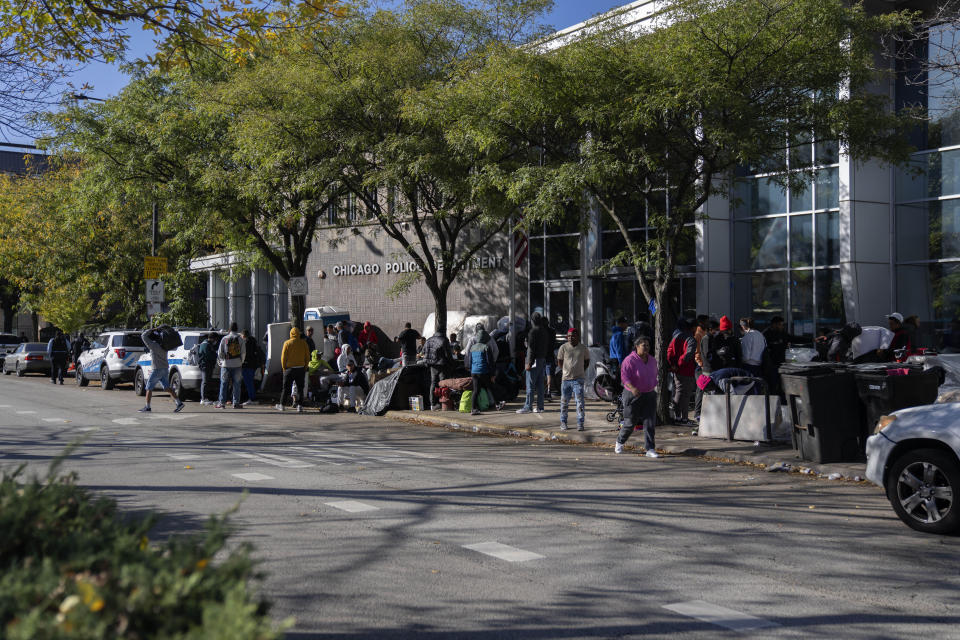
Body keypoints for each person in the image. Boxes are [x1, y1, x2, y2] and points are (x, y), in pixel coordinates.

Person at [615, 336, 659, 457]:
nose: (646, 348)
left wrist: (654, 385)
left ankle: (650, 449)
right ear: (637, 346)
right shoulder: (629, 360)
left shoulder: (652, 360)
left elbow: (654, 374)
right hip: (633, 394)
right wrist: (633, 388)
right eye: (644, 345)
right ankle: (620, 441)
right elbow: (624, 377)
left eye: (648, 345)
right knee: (630, 423)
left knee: (650, 422)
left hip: (649, 394)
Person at [138, 326, 185, 413]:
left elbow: (143, 336)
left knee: (148, 388)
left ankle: (147, 407)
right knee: (167, 387)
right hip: (165, 368)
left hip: (157, 369)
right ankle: (179, 403)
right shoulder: (164, 346)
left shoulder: (153, 345)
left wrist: (153, 329)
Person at [556, 327, 590, 431]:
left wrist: (580, 371)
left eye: (573, 336)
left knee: (580, 402)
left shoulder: (583, 348)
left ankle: (580, 423)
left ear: (578, 336)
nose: (570, 338)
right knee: (564, 402)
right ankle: (563, 422)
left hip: (578, 379)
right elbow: (560, 361)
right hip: (566, 379)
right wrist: (565, 371)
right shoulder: (563, 347)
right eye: (569, 336)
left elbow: (587, 362)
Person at [465, 324, 503, 415]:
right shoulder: (486, 347)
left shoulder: (473, 347)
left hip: (474, 372)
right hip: (484, 371)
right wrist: (492, 373)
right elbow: (489, 361)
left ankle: (473, 409)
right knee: (491, 387)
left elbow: (469, 359)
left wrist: (470, 368)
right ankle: (497, 404)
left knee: (476, 390)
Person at [517, 312, 550, 414]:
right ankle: (540, 407)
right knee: (540, 385)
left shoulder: (533, 332)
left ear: (532, 320)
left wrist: (529, 362)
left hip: (534, 360)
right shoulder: (544, 331)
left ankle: (528, 406)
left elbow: (531, 348)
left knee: (530, 384)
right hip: (542, 360)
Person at [666, 318, 697, 425]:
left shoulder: (676, 337)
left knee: (678, 392)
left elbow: (669, 352)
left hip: (676, 370)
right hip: (686, 370)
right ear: (693, 327)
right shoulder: (691, 339)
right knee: (685, 395)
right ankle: (684, 418)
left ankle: (678, 416)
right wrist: (679, 364)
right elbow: (688, 354)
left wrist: (673, 365)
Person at [762, 316, 802, 394]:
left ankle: (783, 402)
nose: (782, 326)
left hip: (781, 364)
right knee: (772, 386)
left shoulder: (782, 333)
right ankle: (771, 402)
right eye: (780, 324)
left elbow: (794, 339)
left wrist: (812, 339)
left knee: (782, 385)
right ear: (774, 324)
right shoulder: (766, 334)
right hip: (770, 365)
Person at [277, 326, 310, 413]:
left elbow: (283, 357)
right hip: (301, 369)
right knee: (300, 388)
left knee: (286, 388)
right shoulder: (304, 343)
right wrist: (305, 367)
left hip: (289, 369)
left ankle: (282, 405)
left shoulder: (287, 343)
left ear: (290, 334)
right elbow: (307, 357)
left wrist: (284, 368)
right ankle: (300, 406)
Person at [216, 322, 246, 409]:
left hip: (226, 364)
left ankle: (222, 403)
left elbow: (220, 352)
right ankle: (236, 403)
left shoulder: (225, 338)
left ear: (229, 329)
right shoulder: (240, 339)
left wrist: (222, 361)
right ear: (237, 329)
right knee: (237, 384)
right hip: (237, 364)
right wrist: (241, 361)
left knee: (224, 383)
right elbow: (243, 352)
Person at [422, 330, 453, 410]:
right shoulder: (444, 340)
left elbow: (423, 352)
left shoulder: (428, 340)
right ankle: (443, 403)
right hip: (441, 364)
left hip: (432, 365)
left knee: (433, 383)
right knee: (443, 383)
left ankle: (432, 404)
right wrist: (452, 362)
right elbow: (448, 354)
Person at [240, 329, 262, 407]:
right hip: (253, 365)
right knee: (250, 382)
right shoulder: (253, 342)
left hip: (247, 365)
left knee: (248, 382)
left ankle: (252, 399)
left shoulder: (246, 343)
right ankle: (252, 398)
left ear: (243, 335)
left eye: (241, 336)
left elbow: (245, 354)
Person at [197, 332, 219, 405]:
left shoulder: (207, 344)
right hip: (205, 365)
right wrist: (216, 355)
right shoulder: (205, 345)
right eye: (216, 339)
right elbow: (209, 355)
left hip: (207, 365)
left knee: (207, 381)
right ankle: (203, 398)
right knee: (205, 381)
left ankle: (205, 398)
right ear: (213, 338)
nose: (216, 341)